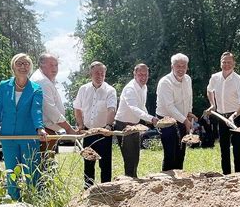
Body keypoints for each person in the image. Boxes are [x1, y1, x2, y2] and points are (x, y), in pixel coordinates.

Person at [0, 53, 48, 200]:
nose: (23, 66)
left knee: (32, 171)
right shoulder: (3, 86)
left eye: (26, 64)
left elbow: (37, 110)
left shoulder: (36, 89)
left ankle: (35, 202)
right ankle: (14, 202)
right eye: (19, 63)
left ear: (30, 67)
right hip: (8, 136)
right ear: (13, 66)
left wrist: (40, 128)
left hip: (28, 136)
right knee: (12, 172)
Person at [73, 61, 117, 189]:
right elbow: (77, 108)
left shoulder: (110, 90)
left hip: (104, 132)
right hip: (88, 131)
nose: (100, 75)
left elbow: (111, 109)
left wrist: (108, 126)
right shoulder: (83, 89)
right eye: (97, 73)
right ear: (90, 73)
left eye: (102, 73)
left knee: (105, 163)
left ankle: (106, 189)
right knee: (88, 162)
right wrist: (80, 125)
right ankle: (88, 190)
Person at [205, 52, 240, 175]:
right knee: (224, 148)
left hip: (236, 116)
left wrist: (233, 116)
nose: (226, 64)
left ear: (234, 63)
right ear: (220, 63)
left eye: (229, 62)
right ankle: (226, 175)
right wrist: (213, 105)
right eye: (224, 62)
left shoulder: (239, 80)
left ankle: (239, 176)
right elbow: (209, 90)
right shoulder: (215, 77)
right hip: (221, 117)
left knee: (237, 147)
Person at [114, 63, 159, 178]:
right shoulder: (130, 88)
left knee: (136, 156)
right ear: (134, 74)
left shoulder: (144, 87)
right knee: (129, 156)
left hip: (135, 124)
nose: (143, 77)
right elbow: (133, 108)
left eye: (145, 74)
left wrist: (149, 118)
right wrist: (151, 118)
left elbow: (142, 106)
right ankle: (129, 181)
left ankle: (134, 179)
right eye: (140, 74)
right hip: (123, 124)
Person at [156, 53, 197, 171]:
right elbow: (169, 107)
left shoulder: (188, 79)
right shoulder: (165, 82)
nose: (181, 69)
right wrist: (185, 121)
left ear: (187, 67)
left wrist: (189, 112)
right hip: (166, 120)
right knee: (170, 152)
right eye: (178, 66)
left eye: (183, 66)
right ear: (172, 66)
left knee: (181, 151)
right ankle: (166, 180)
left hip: (183, 118)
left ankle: (179, 178)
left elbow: (189, 97)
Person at [30, 53, 77, 154]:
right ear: (41, 65)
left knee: (46, 164)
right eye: (51, 65)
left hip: (47, 131)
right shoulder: (42, 82)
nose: (55, 68)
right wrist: (68, 128)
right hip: (44, 132)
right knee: (45, 165)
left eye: (56, 65)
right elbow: (50, 110)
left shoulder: (43, 79)